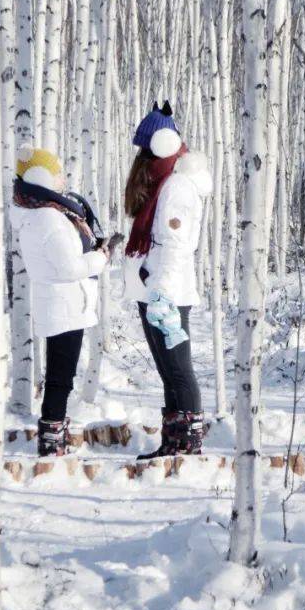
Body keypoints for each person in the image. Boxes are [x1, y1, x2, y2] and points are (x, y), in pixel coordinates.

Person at [123, 102, 212, 458]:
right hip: (157, 287)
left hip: (167, 291)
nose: (141, 157)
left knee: (178, 369)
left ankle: (188, 444)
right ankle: (174, 442)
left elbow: (175, 244)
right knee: (168, 370)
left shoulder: (175, 186)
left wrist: (160, 289)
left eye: (145, 149)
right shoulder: (166, 183)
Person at [9, 146, 110, 456]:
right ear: (41, 178)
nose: (63, 178)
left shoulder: (42, 213)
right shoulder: (48, 219)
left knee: (60, 376)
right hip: (64, 306)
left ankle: (54, 433)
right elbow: (69, 267)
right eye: (56, 174)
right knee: (60, 378)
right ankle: (52, 439)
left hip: (62, 304)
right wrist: (100, 258)